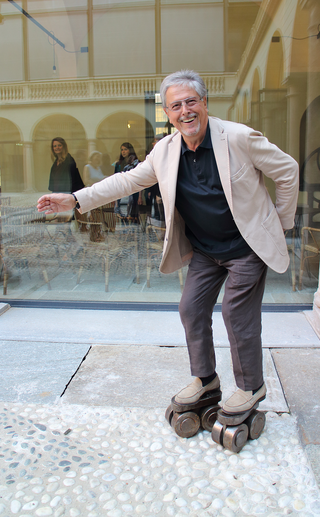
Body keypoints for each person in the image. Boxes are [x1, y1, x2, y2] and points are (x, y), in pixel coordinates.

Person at [38, 70, 299, 416]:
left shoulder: (237, 138)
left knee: (237, 314)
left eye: (191, 101)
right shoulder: (165, 151)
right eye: (175, 105)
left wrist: (279, 225)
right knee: (191, 308)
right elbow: (125, 182)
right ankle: (206, 380)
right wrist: (74, 199)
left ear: (204, 103)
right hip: (206, 251)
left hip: (246, 249)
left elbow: (288, 170)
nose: (185, 111)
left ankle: (252, 386)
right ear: (168, 112)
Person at [113, 142, 140, 218]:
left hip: (133, 190)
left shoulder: (135, 163)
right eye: (122, 150)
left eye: (125, 149)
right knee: (122, 213)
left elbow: (139, 178)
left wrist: (140, 196)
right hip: (121, 190)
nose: (123, 152)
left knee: (132, 212)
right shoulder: (118, 164)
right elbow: (115, 178)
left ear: (130, 150)